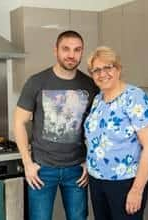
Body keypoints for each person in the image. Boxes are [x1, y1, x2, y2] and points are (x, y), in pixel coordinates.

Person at [13, 30, 98, 220]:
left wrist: (89, 160)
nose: (71, 55)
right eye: (66, 49)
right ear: (56, 50)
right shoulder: (37, 82)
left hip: (77, 169)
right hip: (42, 169)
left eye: (77, 50)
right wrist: (27, 163)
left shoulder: (90, 85)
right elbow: (19, 122)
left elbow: (96, 128)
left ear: (82, 52)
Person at [84, 46, 148, 220]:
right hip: (97, 180)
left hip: (125, 182)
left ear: (118, 69)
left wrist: (136, 190)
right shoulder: (98, 100)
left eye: (107, 67)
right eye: (96, 70)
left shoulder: (135, 97)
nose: (102, 74)